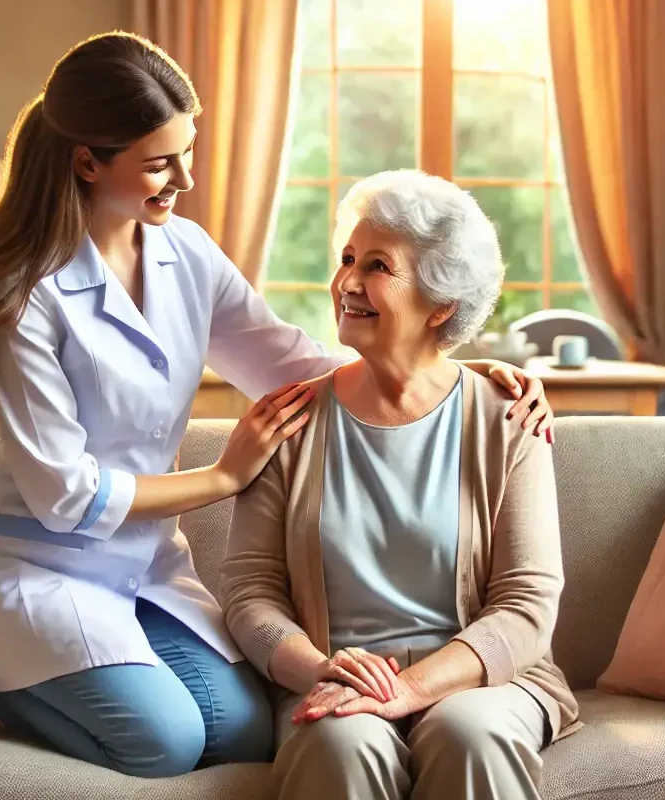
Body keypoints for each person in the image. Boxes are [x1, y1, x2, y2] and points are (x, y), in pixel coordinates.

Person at [0, 33, 555, 779]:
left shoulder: (185, 252)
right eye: (160, 163)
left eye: (186, 152)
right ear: (87, 160)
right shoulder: (25, 294)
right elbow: (64, 494)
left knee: (241, 734)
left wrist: (442, 364)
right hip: (36, 559)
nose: (185, 178)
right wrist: (223, 479)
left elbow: (288, 362)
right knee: (164, 742)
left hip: (139, 564)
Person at [221, 169, 580, 800]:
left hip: (481, 683)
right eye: (347, 259)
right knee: (340, 739)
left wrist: (412, 690)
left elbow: (529, 602)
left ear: (441, 303)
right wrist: (320, 668)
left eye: (378, 267)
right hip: (333, 679)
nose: (347, 282)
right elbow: (251, 593)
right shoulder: (290, 419)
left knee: (472, 735)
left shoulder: (507, 415)